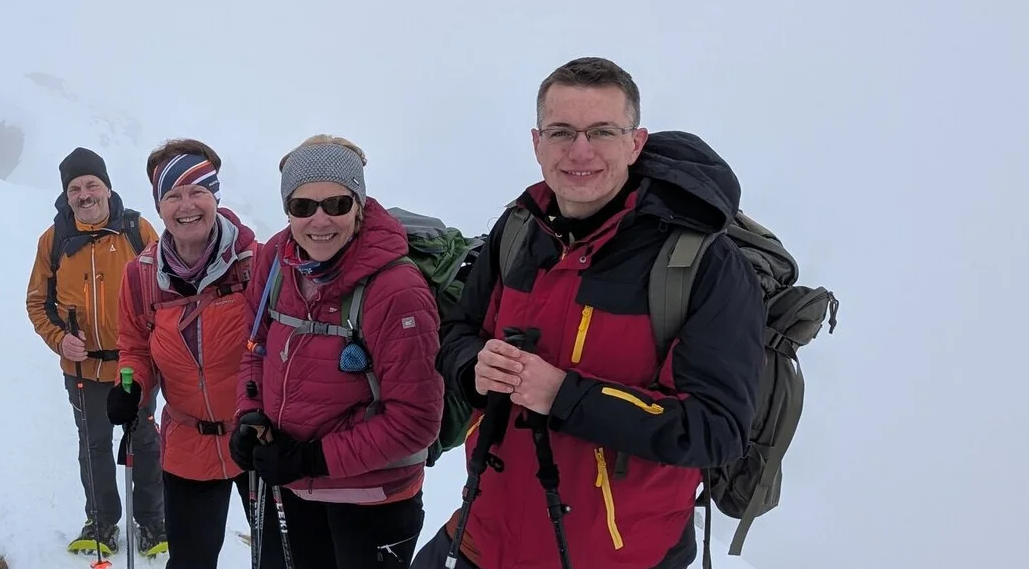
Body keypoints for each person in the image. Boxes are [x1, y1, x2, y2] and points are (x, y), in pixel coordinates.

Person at [412, 57, 764, 569]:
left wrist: (564, 396)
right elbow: (457, 331)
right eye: (561, 132)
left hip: (619, 555)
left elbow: (718, 428)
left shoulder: (700, 264)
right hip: (484, 536)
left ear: (635, 142)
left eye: (601, 131)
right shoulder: (517, 232)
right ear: (536, 143)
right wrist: (474, 364)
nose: (580, 152)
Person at [231, 135, 445, 569]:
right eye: (303, 206)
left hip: (373, 502)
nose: (320, 220)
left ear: (360, 204)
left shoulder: (396, 290)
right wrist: (250, 414)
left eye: (337, 203)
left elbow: (416, 422)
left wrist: (310, 459)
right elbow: (254, 347)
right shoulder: (275, 260)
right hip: (292, 489)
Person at [103, 139, 257, 566]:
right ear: (159, 206)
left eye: (197, 191)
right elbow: (134, 347)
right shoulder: (141, 277)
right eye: (172, 195)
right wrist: (129, 386)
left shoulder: (255, 263)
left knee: (281, 559)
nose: (186, 205)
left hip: (259, 437)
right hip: (189, 440)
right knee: (191, 561)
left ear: (215, 197)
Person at [25, 146, 167, 556]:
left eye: (91, 184)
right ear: (66, 195)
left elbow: (165, 292)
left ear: (106, 187)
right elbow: (37, 302)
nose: (84, 194)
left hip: (134, 365)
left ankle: (154, 523)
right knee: (94, 444)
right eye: (74, 188)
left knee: (144, 442)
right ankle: (102, 522)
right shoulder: (53, 241)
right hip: (82, 368)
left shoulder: (138, 231)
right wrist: (59, 339)